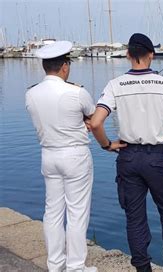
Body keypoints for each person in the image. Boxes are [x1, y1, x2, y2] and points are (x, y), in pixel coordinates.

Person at [90, 33, 163, 272]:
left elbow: (96, 123)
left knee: (135, 217)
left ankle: (142, 268)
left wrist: (107, 145)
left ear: (128, 55)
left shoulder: (115, 85)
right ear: (152, 54)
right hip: (159, 158)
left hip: (129, 157)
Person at [25, 41, 97, 272]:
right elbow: (93, 120)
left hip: (48, 155)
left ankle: (55, 265)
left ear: (45, 66)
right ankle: (76, 266)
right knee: (77, 212)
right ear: (65, 66)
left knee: (53, 211)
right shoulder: (77, 92)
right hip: (75, 156)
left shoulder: (31, 93)